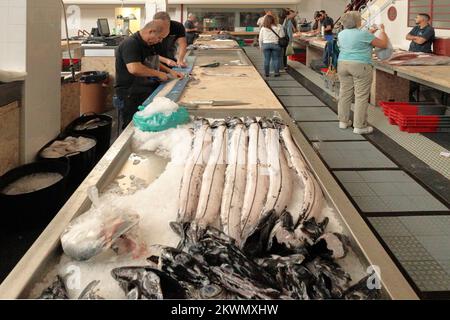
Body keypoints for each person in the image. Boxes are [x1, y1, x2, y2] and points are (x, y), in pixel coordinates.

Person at [114, 20, 185, 131]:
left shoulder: (148, 44)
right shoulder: (131, 43)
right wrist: (158, 74)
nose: (160, 41)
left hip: (142, 89)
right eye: (160, 37)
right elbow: (134, 68)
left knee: (146, 122)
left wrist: (170, 71)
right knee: (132, 125)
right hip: (129, 93)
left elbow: (154, 60)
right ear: (151, 31)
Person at [337, 11, 389, 135]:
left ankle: (343, 122)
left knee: (344, 93)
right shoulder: (363, 34)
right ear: (357, 21)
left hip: (343, 64)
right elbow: (383, 44)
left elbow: (356, 40)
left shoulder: (341, 33)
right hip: (360, 65)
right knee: (361, 96)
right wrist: (382, 31)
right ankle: (359, 126)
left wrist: (369, 33)